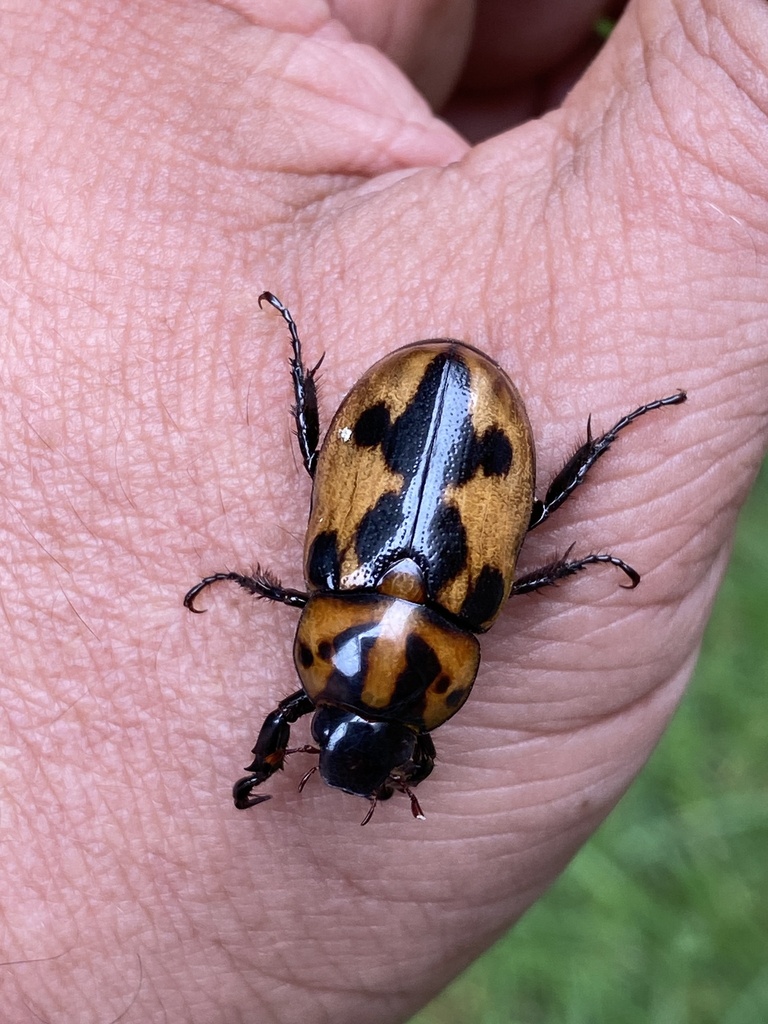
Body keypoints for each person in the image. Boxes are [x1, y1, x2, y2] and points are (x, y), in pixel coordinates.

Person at [2, 2, 765, 1021]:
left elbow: (286, 713)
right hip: (447, 421)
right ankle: (596, 428)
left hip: (422, 417)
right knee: (518, 518)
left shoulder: (407, 617)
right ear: (427, 711)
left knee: (422, 489)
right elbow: (292, 712)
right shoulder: (352, 605)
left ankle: (326, 361)